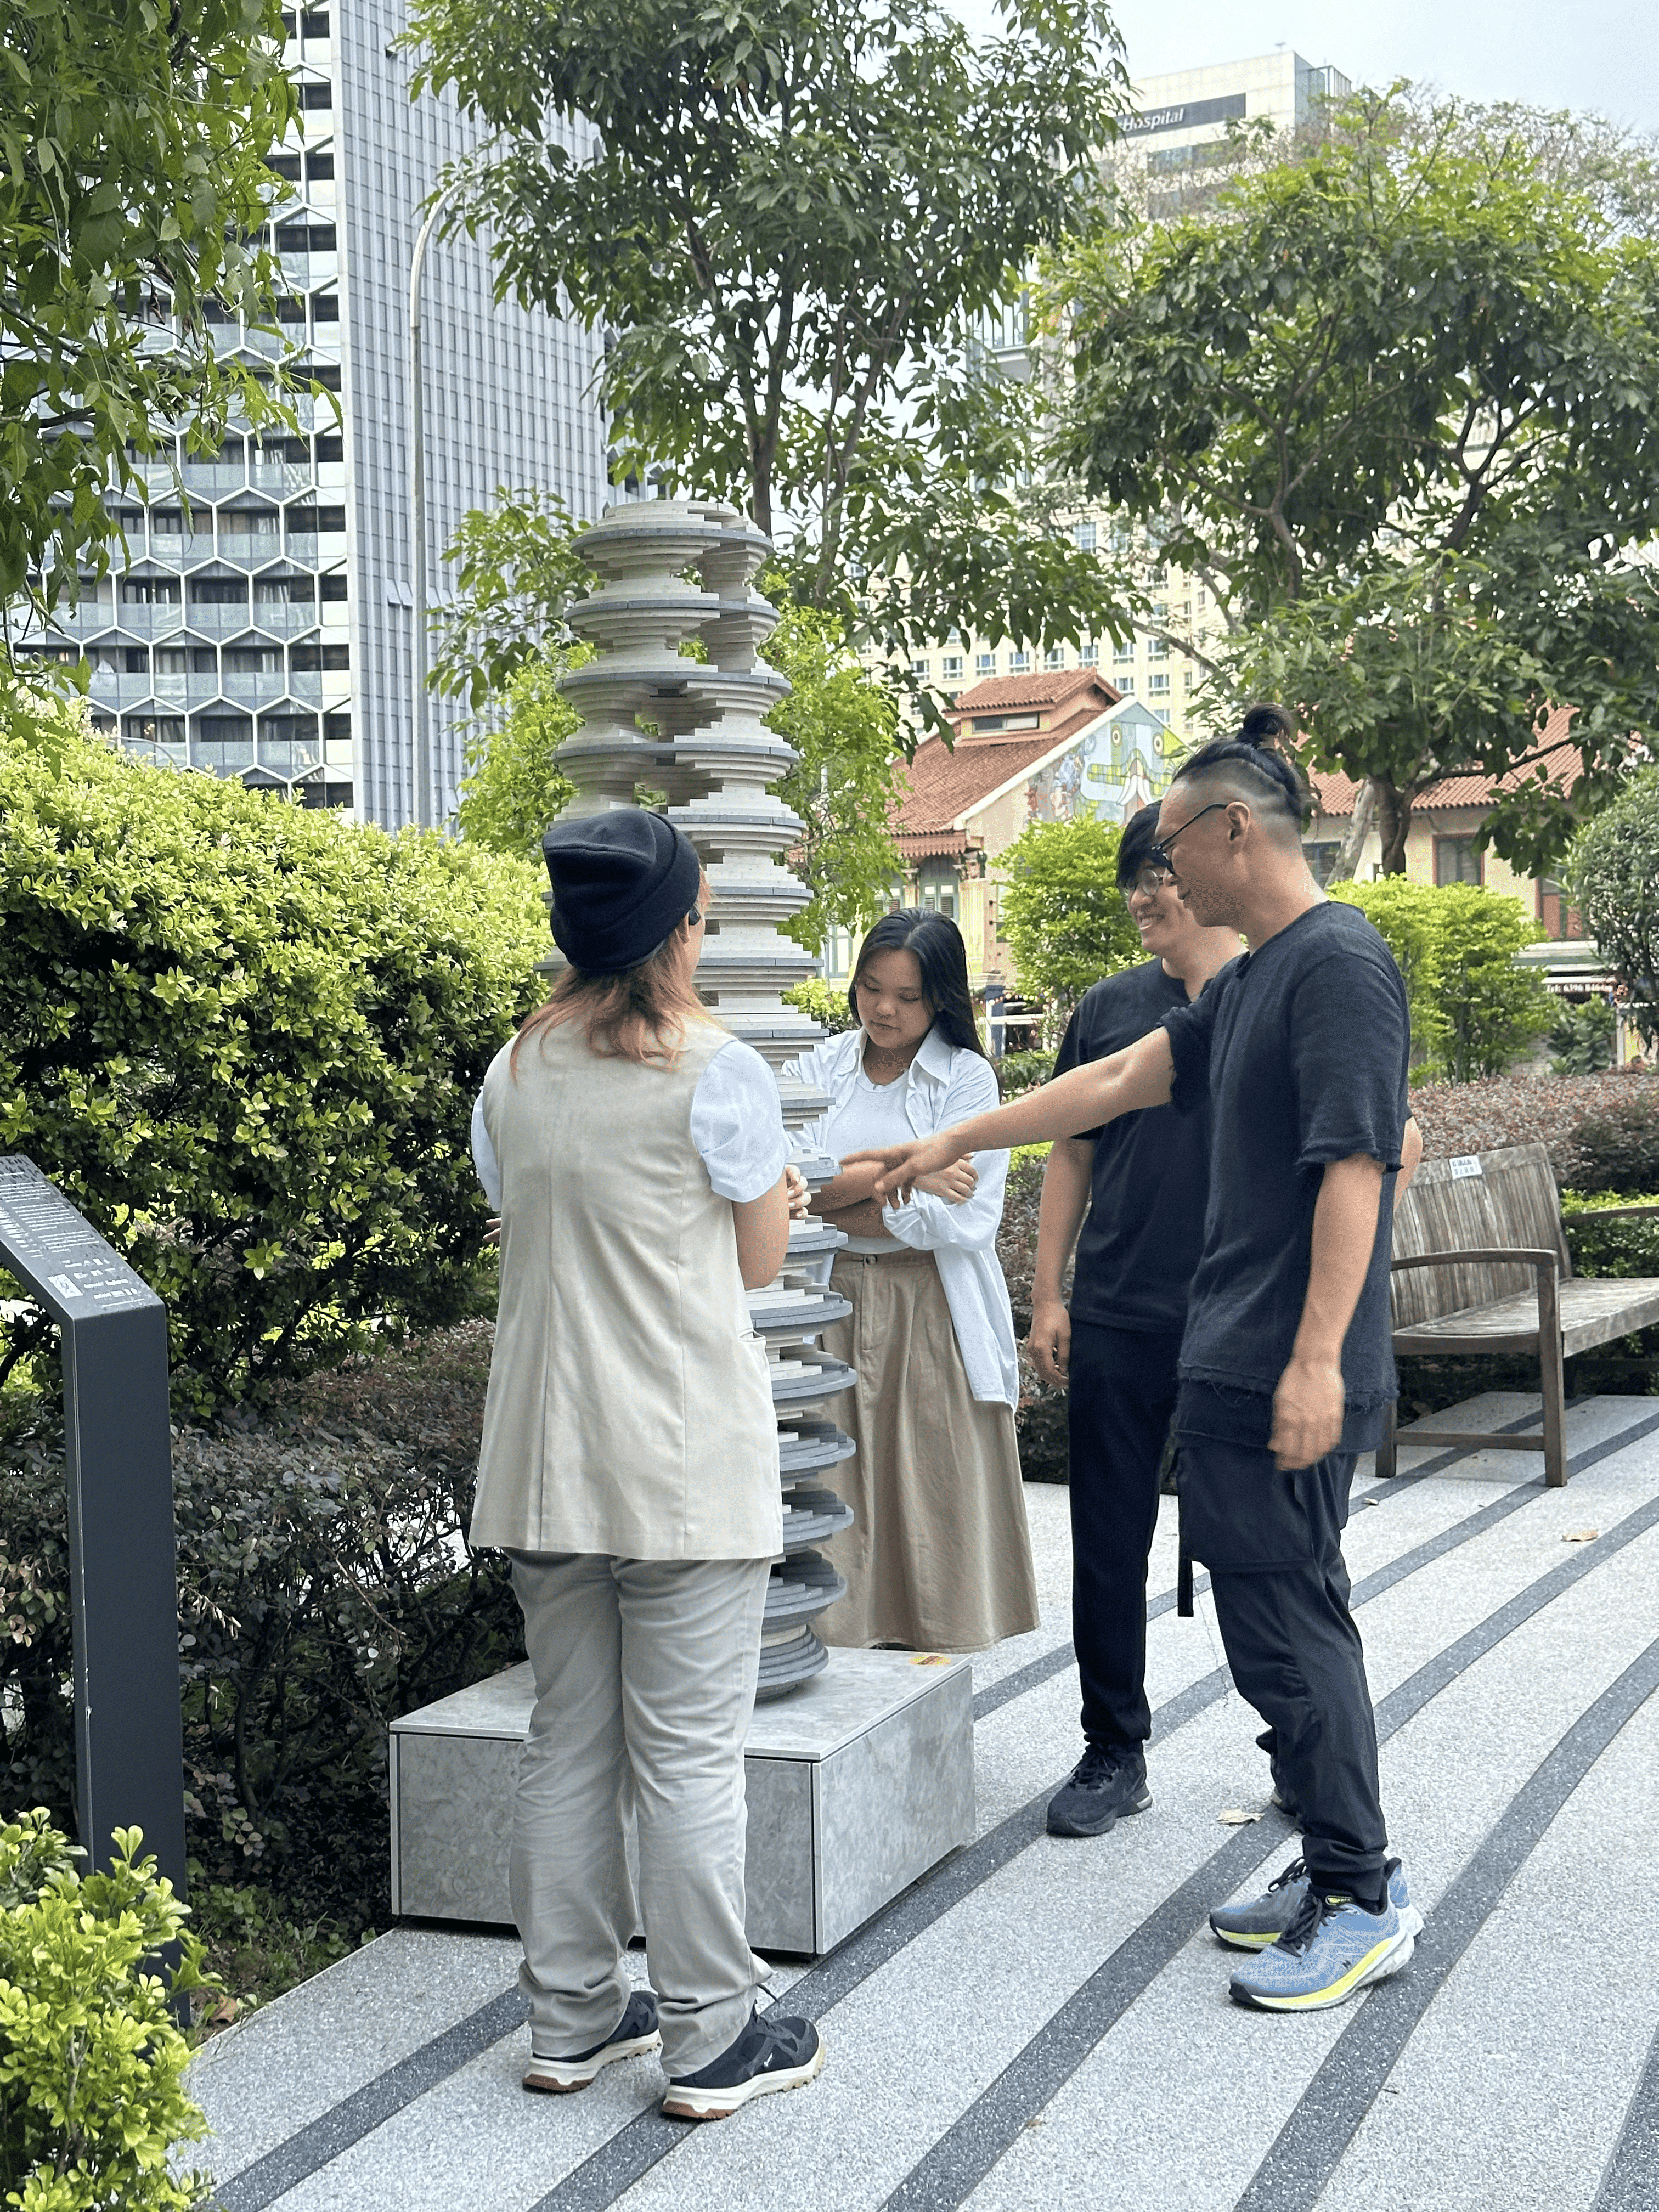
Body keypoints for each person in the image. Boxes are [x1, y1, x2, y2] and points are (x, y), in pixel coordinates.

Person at [847, 707, 1425, 2013]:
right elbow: (1108, 1088)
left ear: (1233, 832)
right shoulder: (1257, 976)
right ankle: (1335, 1862)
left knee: (1289, 1625)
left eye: (1172, 845)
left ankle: (1362, 1890)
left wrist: (1318, 1360)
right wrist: (952, 1141)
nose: (1159, 874)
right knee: (1273, 1618)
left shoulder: (1337, 965)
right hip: (1230, 1356)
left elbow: (1357, 1167)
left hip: (1284, 1362)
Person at [468, 810, 826, 2119]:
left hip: (546, 1453)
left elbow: (519, 1210)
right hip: (680, 1456)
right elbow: (755, 1261)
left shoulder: (513, 1067)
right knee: (685, 1758)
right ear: (683, 929)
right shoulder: (718, 1069)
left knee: (567, 1742)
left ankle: (569, 2021)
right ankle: (710, 2036)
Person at [1030, 804, 1244, 1839]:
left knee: (1258, 1541)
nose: (1143, 893)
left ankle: (1299, 1742)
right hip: (1117, 1307)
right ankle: (1113, 1745)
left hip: (1236, 1320)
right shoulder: (1110, 1007)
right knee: (1107, 1540)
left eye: (1160, 870)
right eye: (1133, 875)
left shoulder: (1273, 994)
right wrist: (1048, 1292)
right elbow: (1069, 1145)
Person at [787, 910, 1038, 1651]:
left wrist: (840, 1189)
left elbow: (962, 1222)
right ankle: (841, 1654)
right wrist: (908, 1172)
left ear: (942, 999)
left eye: (907, 995)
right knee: (831, 1485)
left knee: (932, 1487)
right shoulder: (818, 1067)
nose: (885, 1009)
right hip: (828, 1299)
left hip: (929, 1301)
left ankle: (928, 1662)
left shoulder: (966, 1079)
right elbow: (788, 1191)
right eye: (871, 988)